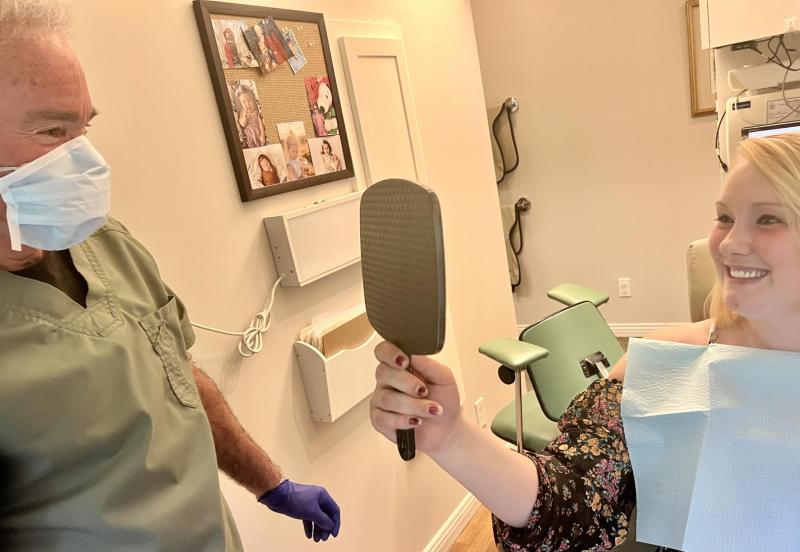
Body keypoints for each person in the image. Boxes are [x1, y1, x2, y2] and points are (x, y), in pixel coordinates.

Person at [0, 2, 340, 549]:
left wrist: (271, 483)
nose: (85, 159)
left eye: (83, 127)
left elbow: (177, 376)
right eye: (50, 130)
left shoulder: (106, 243)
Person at [371, 131, 800, 551]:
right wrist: (451, 437)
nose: (730, 243)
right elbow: (570, 501)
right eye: (724, 217)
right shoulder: (672, 361)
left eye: (768, 219)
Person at [236, 84, 266, 149]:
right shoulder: (242, 112)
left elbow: (260, 124)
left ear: (253, 100)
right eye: (244, 102)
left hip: (258, 135)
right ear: (241, 104)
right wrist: (244, 116)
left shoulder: (256, 111)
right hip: (249, 136)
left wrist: (262, 136)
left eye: (249, 100)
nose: (247, 104)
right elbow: (242, 125)